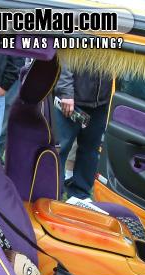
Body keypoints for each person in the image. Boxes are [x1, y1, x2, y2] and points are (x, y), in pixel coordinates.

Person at [54, 65, 112, 200]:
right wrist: (66, 92)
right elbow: (65, 59)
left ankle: (80, 195)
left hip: (100, 103)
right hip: (72, 100)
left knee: (90, 151)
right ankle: (52, 192)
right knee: (59, 150)